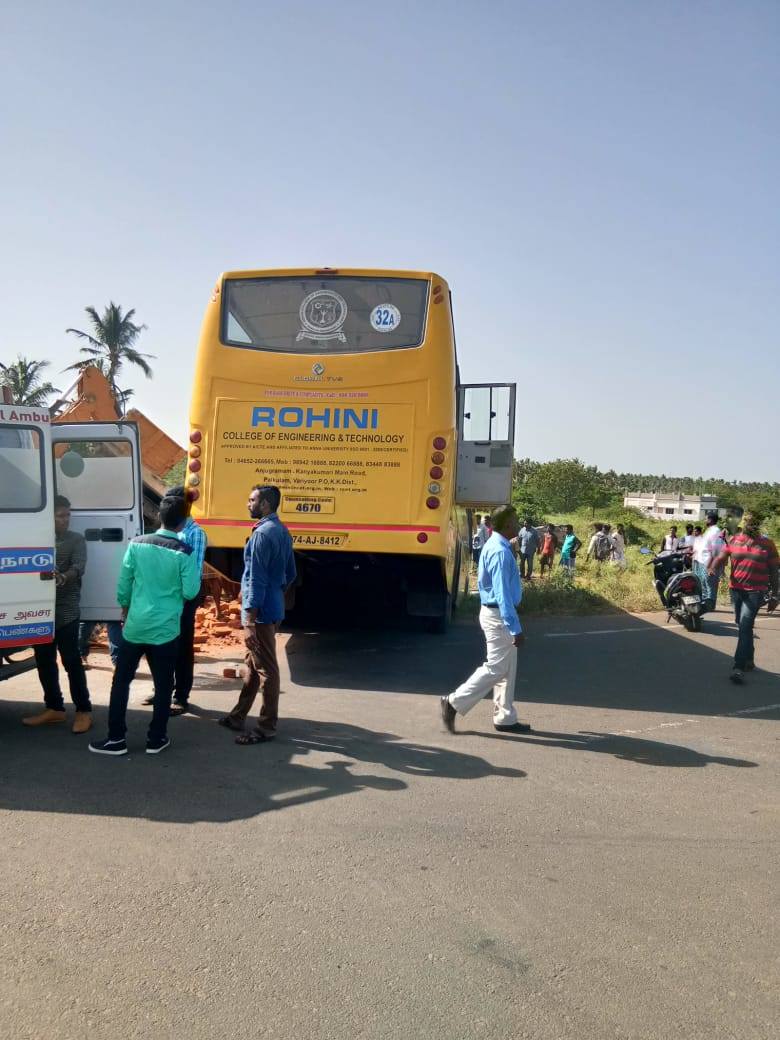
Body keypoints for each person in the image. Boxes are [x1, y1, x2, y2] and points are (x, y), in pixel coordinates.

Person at [88, 495, 201, 756]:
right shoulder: (184, 552)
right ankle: (156, 739)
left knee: (121, 682)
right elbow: (191, 590)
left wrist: (126, 608)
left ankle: (116, 739)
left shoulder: (136, 545)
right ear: (183, 523)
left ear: (159, 517)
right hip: (165, 630)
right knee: (163, 686)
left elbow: (124, 585)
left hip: (135, 626)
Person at [440, 505, 531, 735]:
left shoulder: (497, 544)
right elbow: (502, 593)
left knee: (507, 668)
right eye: (516, 520)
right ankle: (453, 702)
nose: (519, 524)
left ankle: (505, 717)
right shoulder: (500, 551)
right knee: (496, 667)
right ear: (508, 525)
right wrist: (515, 627)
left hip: (495, 613)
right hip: (498, 615)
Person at [218, 485, 296, 745]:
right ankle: (237, 716)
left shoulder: (262, 534)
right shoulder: (282, 531)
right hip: (272, 605)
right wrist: (275, 597)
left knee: (267, 670)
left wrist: (249, 619)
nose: (247, 504)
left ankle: (266, 727)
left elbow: (257, 579)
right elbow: (290, 574)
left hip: (260, 612)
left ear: (265, 505)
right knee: (253, 663)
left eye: (251, 500)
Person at [23, 495, 93, 734]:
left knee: (72, 662)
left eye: (68, 515)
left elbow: (79, 567)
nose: (66, 520)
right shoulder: (37, 541)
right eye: (61, 515)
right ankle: (54, 708)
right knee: (44, 662)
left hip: (67, 612)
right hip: (40, 613)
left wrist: (64, 576)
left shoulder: (76, 540)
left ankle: (84, 710)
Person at [140, 485, 207, 715]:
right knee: (159, 645)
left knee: (181, 647)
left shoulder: (195, 533)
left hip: (184, 598)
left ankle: (180, 696)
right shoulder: (167, 530)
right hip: (162, 596)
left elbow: (193, 572)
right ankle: (162, 690)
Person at [708, 513, 778, 684]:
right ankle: (749, 658)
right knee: (742, 624)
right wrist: (712, 568)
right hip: (736, 590)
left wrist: (776, 595)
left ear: (758, 525)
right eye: (748, 522)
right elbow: (722, 557)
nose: (751, 525)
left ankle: (738, 667)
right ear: (744, 524)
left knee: (745, 625)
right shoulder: (734, 540)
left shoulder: (767, 544)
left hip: (756, 592)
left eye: (754, 523)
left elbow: (775, 571)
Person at [692, 510, 725, 613]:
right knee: (704, 585)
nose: (705, 520)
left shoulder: (715, 531)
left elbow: (716, 551)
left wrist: (711, 566)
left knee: (710, 585)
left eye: (706, 518)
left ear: (710, 519)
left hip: (709, 564)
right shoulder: (709, 530)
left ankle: (710, 606)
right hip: (703, 563)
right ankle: (706, 605)